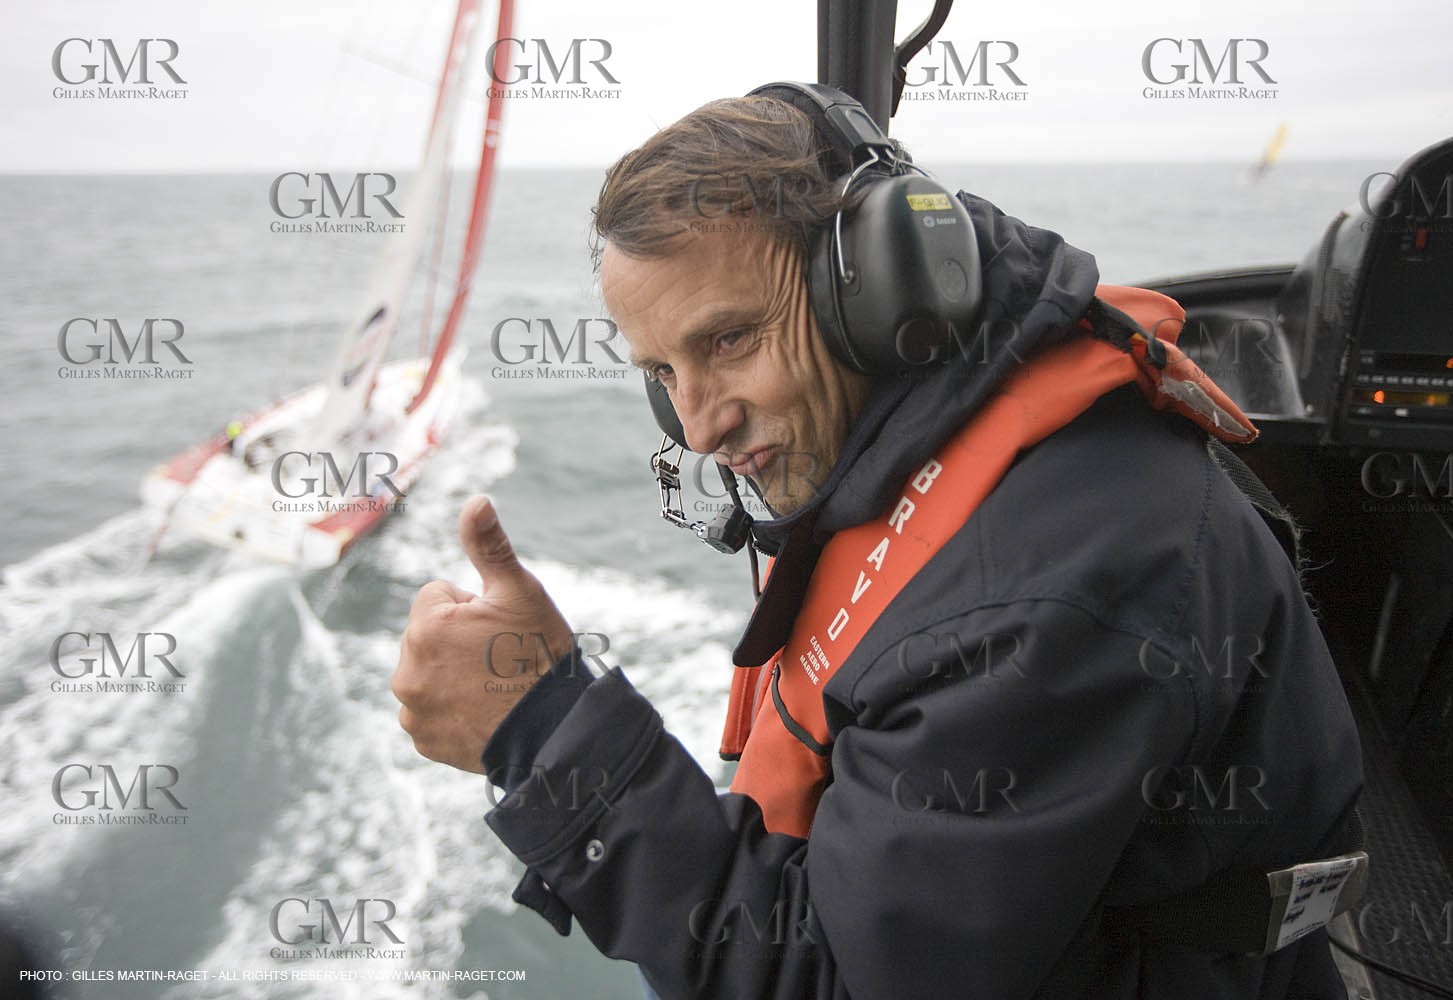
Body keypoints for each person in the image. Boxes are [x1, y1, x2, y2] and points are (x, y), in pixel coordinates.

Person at [392, 85, 1365, 999]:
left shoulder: (1045, 593)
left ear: (890, 291)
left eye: (729, 339)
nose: (695, 427)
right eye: (662, 372)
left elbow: (842, 979)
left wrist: (547, 732)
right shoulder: (919, 434)